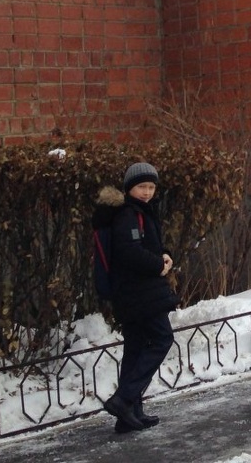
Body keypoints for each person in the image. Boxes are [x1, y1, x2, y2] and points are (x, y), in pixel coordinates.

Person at [94, 161, 177, 433]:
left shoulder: (140, 211)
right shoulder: (128, 214)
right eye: (142, 186)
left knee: (136, 348)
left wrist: (165, 254)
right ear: (130, 187)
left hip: (133, 293)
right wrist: (158, 265)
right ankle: (124, 399)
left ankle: (129, 415)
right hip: (138, 293)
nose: (147, 192)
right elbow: (130, 252)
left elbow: (147, 245)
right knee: (162, 338)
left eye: (151, 187)